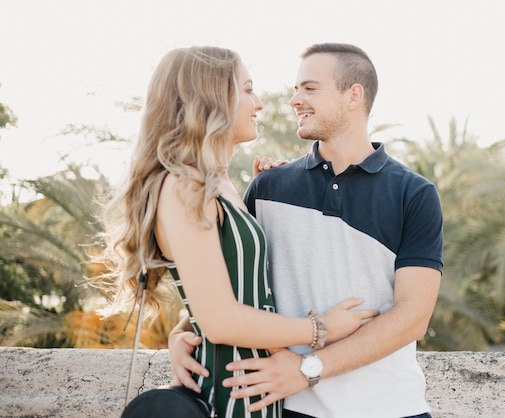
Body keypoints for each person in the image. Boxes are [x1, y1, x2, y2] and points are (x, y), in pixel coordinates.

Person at [93, 45, 378, 418]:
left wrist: (179, 332)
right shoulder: (184, 186)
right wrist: (320, 328)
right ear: (210, 98)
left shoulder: (218, 183)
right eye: (246, 89)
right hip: (227, 399)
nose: (258, 103)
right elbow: (221, 320)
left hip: (259, 395)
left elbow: (237, 281)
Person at [169, 43, 443, 418]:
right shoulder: (268, 186)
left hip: (391, 408)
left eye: (310, 88)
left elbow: (413, 316)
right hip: (287, 408)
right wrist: (181, 331)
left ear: (354, 95)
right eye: (296, 89)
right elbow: (236, 281)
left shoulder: (414, 193)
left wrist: (307, 370)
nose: (294, 99)